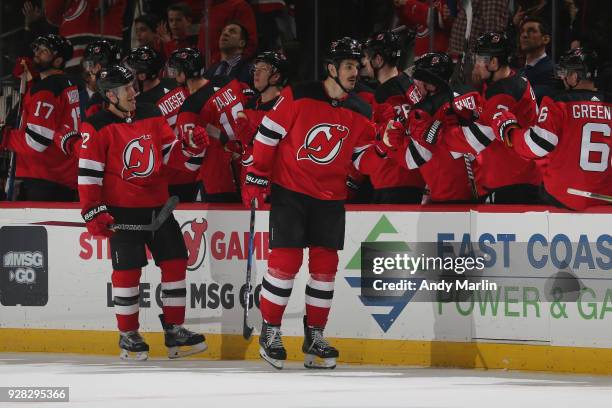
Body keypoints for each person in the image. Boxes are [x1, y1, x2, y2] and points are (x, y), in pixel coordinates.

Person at [243, 37, 384, 369]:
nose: (355, 71)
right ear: (332, 69)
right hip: (291, 192)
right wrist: (256, 174)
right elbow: (268, 133)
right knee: (285, 263)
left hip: (331, 198)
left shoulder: (361, 109)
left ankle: (314, 336)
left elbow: (361, 162)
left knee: (325, 270)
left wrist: (383, 148)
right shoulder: (299, 94)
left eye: (357, 65)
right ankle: (271, 332)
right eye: (348, 66)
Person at [78, 64, 208, 360]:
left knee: (175, 262)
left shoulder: (150, 113)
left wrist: (189, 148)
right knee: (127, 272)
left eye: (133, 86)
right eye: (126, 89)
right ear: (110, 95)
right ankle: (128, 334)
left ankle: (175, 330)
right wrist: (93, 211)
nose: (133, 92)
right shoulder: (96, 125)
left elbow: (170, 158)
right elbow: (88, 175)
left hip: (159, 209)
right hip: (122, 212)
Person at [492, 48, 611, 210]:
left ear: (575, 76)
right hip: (604, 202)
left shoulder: (559, 102)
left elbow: (537, 145)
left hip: (563, 199)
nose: (563, 78)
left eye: (566, 73)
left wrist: (509, 131)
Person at [383, 52, 483, 203]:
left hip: (455, 200)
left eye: (417, 81)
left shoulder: (433, 108)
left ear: (430, 83)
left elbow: (412, 159)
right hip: (448, 197)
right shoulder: (427, 110)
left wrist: (388, 143)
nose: (414, 86)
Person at [457, 31, 542, 204]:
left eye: (480, 59)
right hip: (519, 179)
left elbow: (476, 138)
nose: (476, 65)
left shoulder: (503, 93)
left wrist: (443, 133)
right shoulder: (511, 82)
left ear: (494, 62)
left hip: (512, 183)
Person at [0, 34, 81, 201]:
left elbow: (36, 141)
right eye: (38, 49)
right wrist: (33, 81)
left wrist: (5, 136)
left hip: (43, 177)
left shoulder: (47, 89)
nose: (37, 54)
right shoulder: (65, 83)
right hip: (60, 175)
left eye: (45, 51)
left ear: (58, 61)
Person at [167, 47, 251, 202]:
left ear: (183, 73)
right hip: (249, 168)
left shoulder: (191, 107)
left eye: (175, 70)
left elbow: (193, 161)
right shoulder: (227, 80)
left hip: (219, 180)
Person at [360, 30, 425, 204]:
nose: (364, 62)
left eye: (367, 57)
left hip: (394, 179)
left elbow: (393, 136)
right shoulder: (408, 84)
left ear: (379, 60)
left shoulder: (386, 93)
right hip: (412, 177)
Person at [230, 51, 289, 187]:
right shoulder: (251, 103)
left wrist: (252, 135)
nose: (256, 73)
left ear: (276, 77)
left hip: (274, 185)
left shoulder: (286, 108)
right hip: (248, 182)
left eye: (263, 69)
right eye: (256, 69)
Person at [518, 17, 560, 102]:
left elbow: (530, 100)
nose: (524, 35)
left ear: (546, 39)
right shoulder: (519, 70)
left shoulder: (552, 71)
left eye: (531, 31)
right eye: (522, 31)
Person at [82, 39, 123, 118]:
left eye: (90, 65)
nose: (88, 70)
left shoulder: (96, 101)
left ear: (97, 67)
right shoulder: (131, 91)